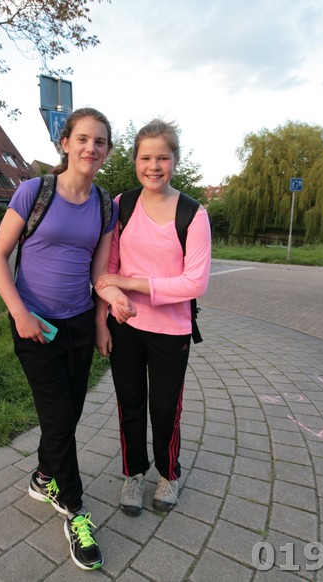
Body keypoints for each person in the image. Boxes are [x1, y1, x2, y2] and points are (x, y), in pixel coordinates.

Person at [0, 107, 134, 571]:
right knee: (57, 418)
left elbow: (99, 273)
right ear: (66, 143)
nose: (92, 148)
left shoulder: (105, 206)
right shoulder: (34, 191)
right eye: (83, 139)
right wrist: (19, 314)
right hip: (35, 325)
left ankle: (42, 476)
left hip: (78, 324)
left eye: (100, 142)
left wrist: (102, 320)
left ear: (107, 151)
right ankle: (75, 510)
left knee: (67, 415)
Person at [95, 119, 211, 517]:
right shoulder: (122, 205)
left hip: (170, 332)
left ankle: (168, 474)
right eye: (145, 158)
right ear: (135, 161)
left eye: (162, 157)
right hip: (125, 327)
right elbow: (106, 271)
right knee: (129, 404)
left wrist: (131, 283)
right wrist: (108, 309)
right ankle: (133, 473)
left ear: (175, 160)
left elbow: (194, 282)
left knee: (164, 409)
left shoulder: (193, 214)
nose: (154, 166)